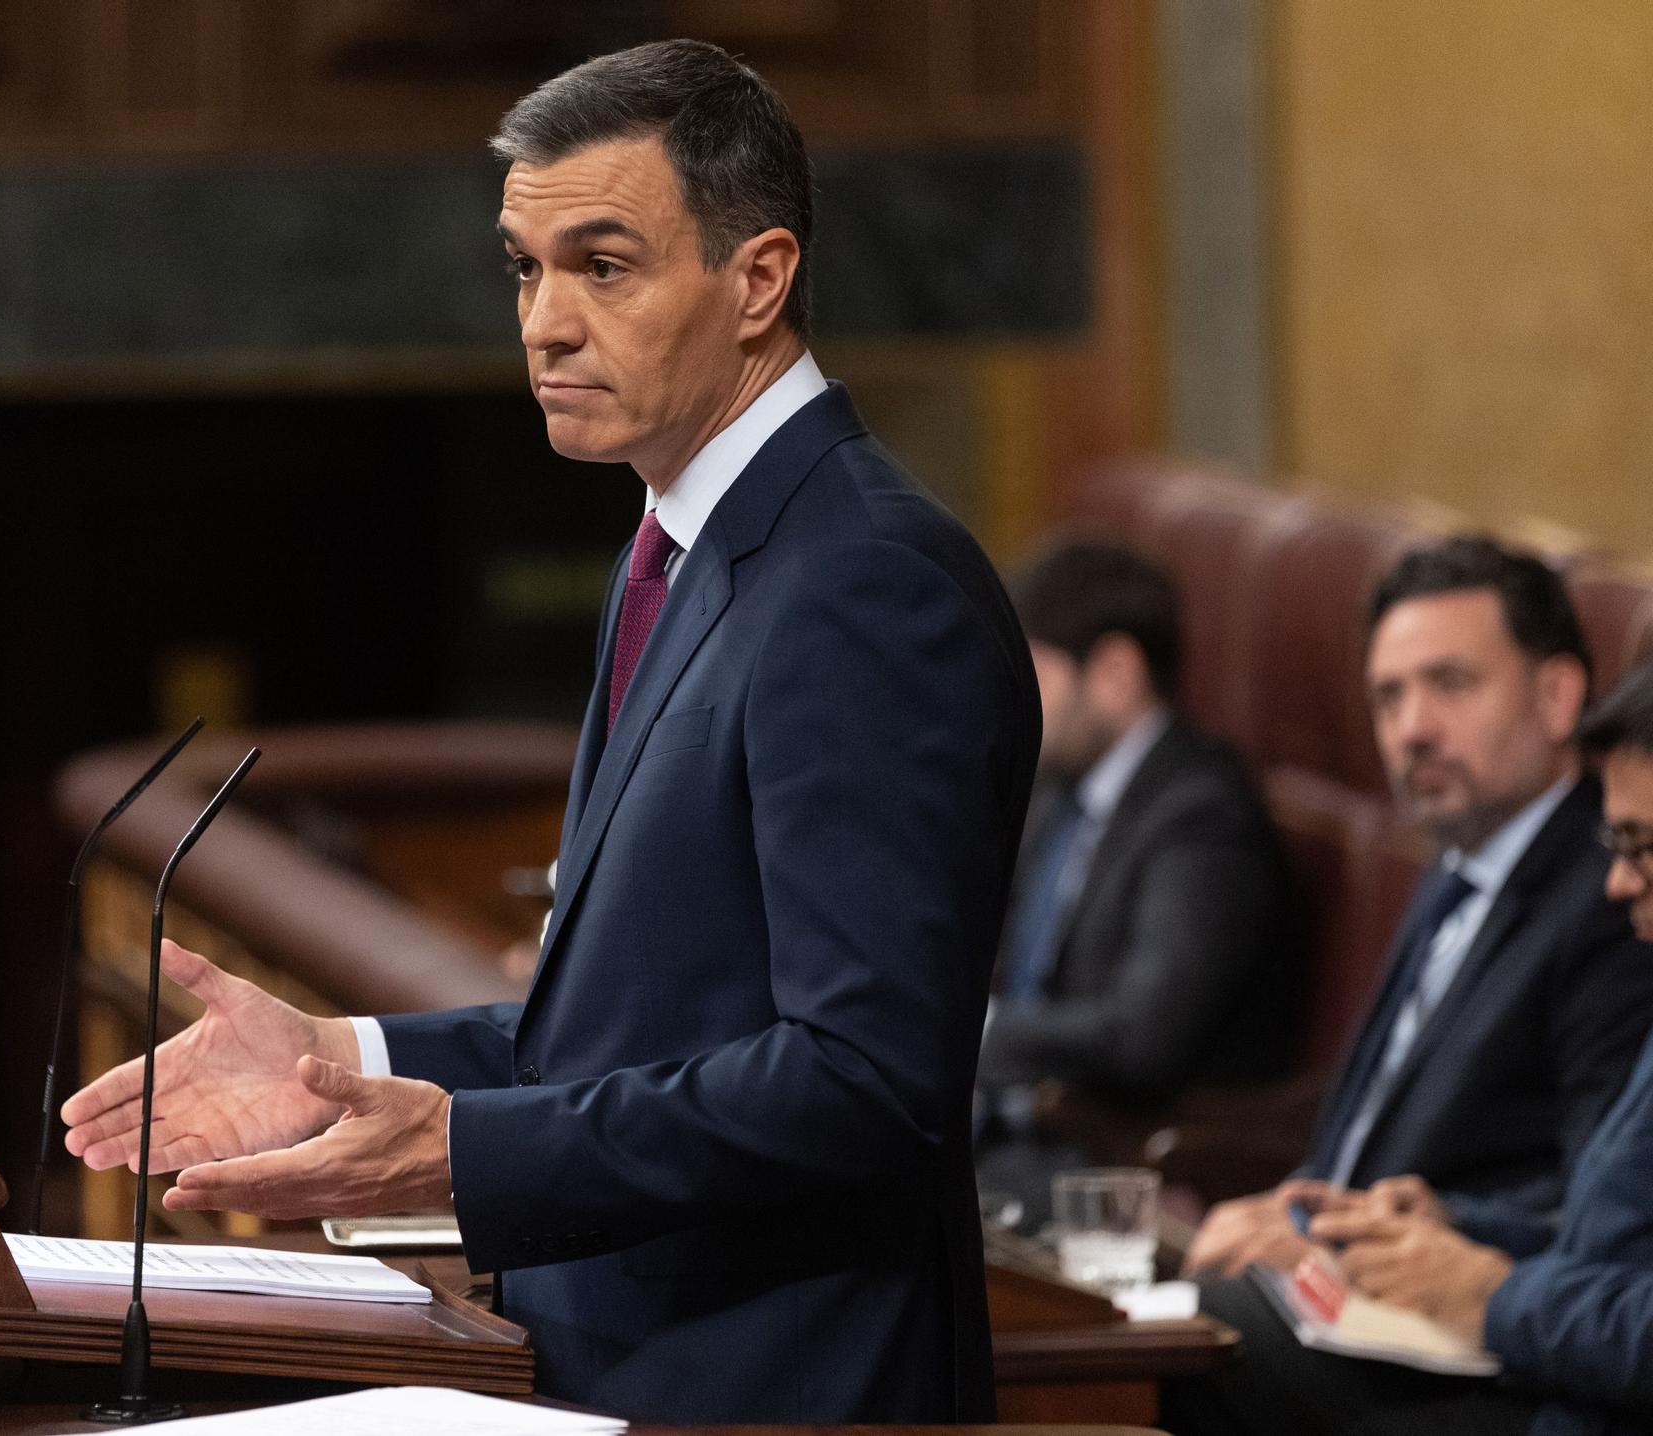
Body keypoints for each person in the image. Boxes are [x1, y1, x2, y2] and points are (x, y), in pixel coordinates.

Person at [61, 39, 1039, 1425]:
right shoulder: (680, 552)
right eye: (526, 268)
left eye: (604, 264)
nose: (544, 323)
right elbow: (653, 1017)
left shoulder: (868, 585)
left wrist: (469, 1156)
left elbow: (864, 1078)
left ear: (759, 278)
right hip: (634, 1371)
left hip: (780, 1389)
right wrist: (351, 1061)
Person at [1164, 656, 1653, 1436]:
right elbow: (1614, 1237)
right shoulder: (1454, 870)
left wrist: (1493, 1293)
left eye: (1640, 846)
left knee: (1190, 1355)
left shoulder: (1597, 932)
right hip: (1549, 1369)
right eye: (1388, 695)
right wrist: (1455, 1228)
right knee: (1183, 1336)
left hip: (1568, 1392)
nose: (1619, 883)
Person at [1186, 536, 1653, 1280]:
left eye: (1450, 683)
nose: (1413, 729)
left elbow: (1601, 1202)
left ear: (1557, 697)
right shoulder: (1462, 860)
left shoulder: (1620, 894)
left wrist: (1337, 1235)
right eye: (1389, 696)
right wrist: (1288, 1207)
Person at [975, 540, 1296, 1219]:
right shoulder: (1058, 795)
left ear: (1115, 672)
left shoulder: (1203, 817)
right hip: (1010, 1128)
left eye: (1030, 667)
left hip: (1114, 1162)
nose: (1006, 696)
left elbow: (1143, 1034)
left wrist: (979, 1032)